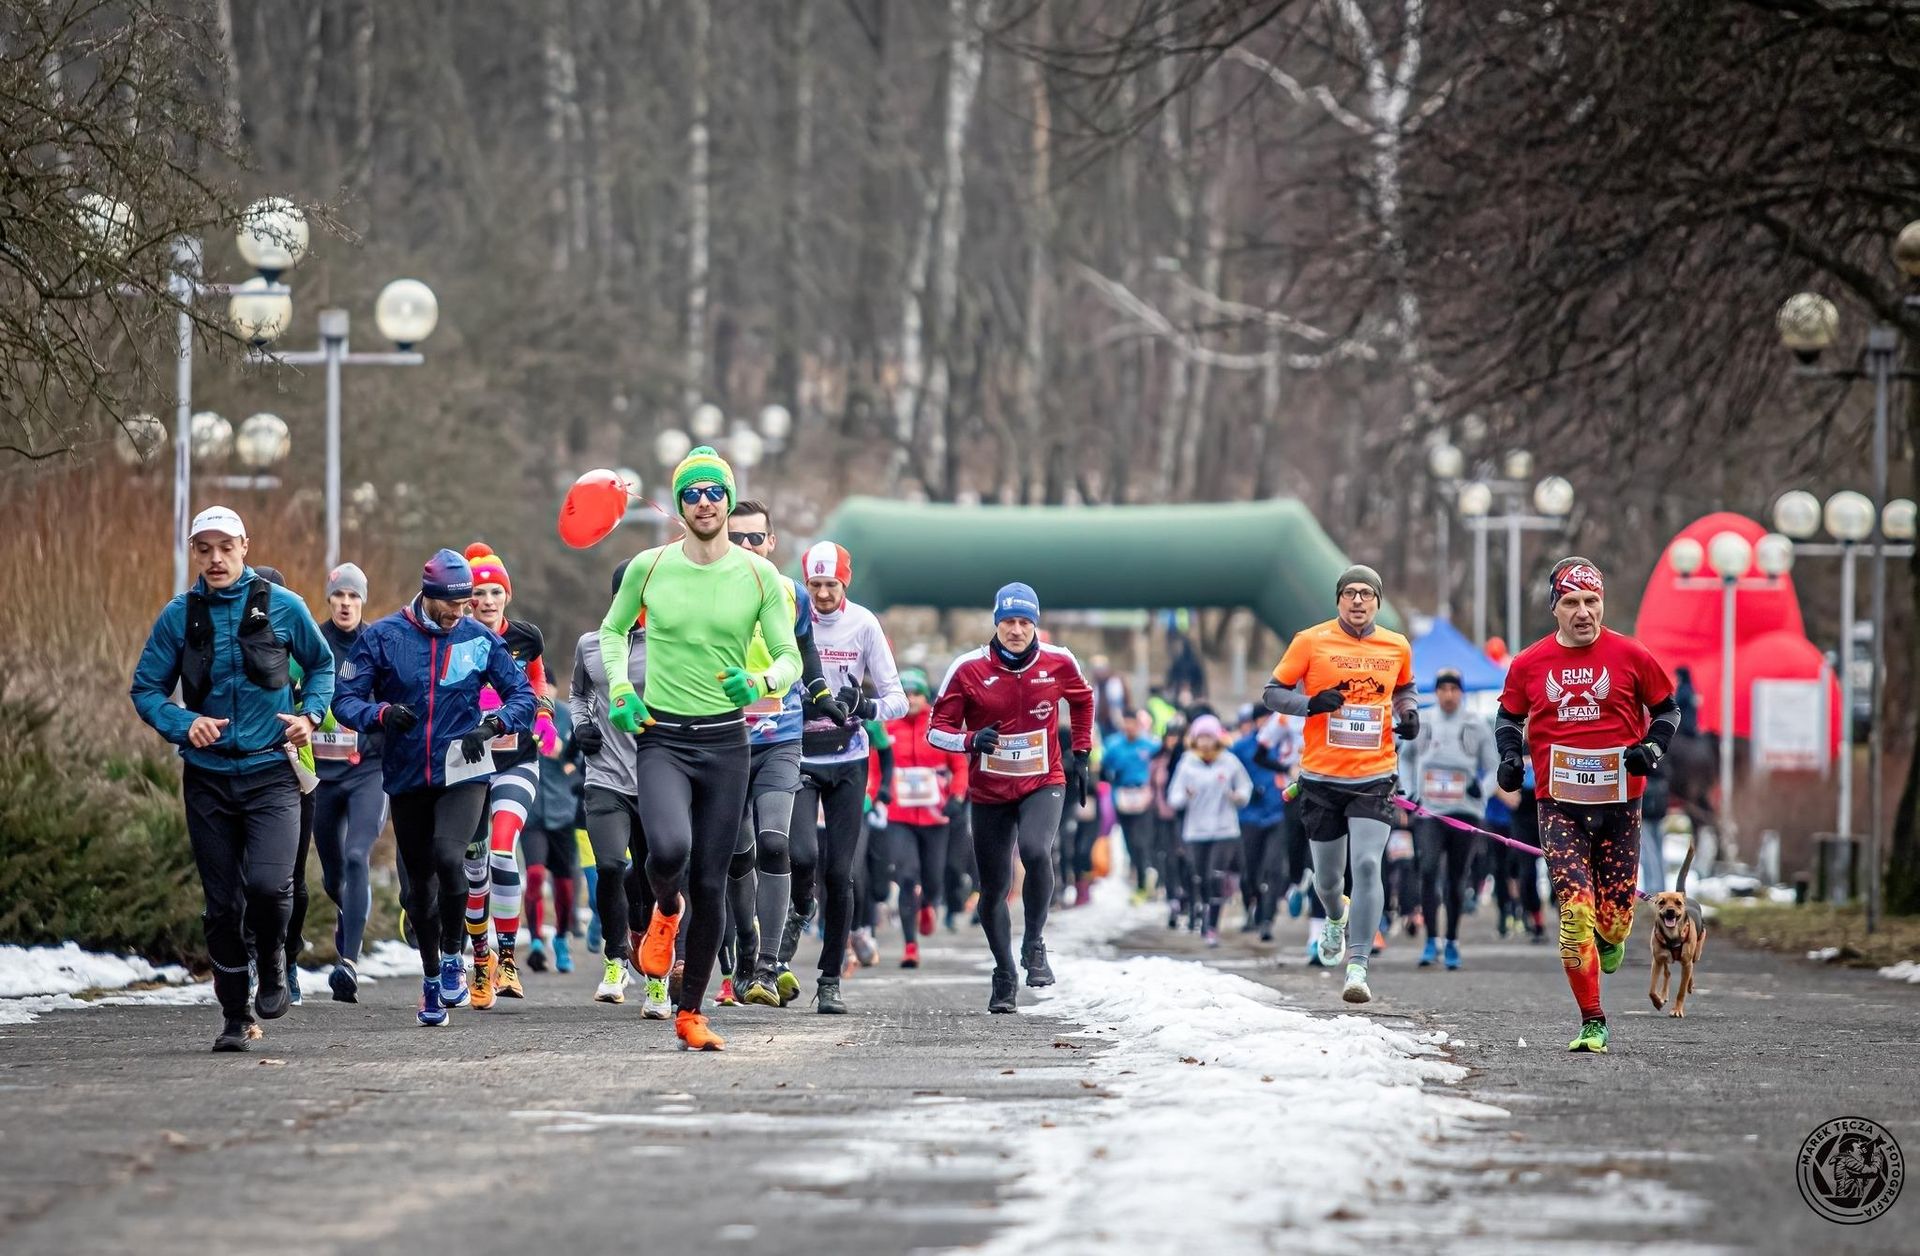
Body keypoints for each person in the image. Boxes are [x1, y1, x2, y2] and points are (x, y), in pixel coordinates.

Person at [599, 446, 802, 1050]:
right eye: (692, 493)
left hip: (725, 744)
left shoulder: (761, 576)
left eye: (715, 491)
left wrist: (761, 682)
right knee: (666, 851)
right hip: (662, 736)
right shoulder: (650, 566)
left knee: (712, 882)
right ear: (680, 503)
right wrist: (618, 690)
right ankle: (664, 910)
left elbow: (790, 656)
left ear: (728, 499)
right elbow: (611, 631)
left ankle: (690, 1014)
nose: (705, 502)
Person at [131, 508, 335, 1052]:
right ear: (194, 552)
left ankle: (272, 960)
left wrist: (310, 716)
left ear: (245, 545)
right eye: (205, 549)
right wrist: (184, 722)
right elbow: (146, 689)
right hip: (209, 781)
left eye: (226, 547)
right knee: (222, 905)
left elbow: (322, 666)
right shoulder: (179, 616)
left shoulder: (284, 608)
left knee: (270, 887)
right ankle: (232, 1013)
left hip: (272, 774)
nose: (216, 558)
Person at [333, 548, 536, 1027]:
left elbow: (523, 693)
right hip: (406, 775)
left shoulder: (478, 639)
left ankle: (452, 957)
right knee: (419, 889)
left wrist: (494, 725)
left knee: (451, 858)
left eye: (467, 602)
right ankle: (430, 980)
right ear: (429, 595)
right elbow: (346, 699)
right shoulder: (384, 638)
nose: (462, 611)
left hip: (464, 768)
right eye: (454, 603)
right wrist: (380, 715)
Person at [1496, 557, 1681, 1053]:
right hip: (1558, 805)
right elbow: (1509, 717)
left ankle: (1613, 935)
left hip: (1621, 805)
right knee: (1576, 912)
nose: (1584, 612)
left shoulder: (1631, 655)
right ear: (1555, 608)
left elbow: (1668, 709)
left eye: (1592, 601)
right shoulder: (1529, 663)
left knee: (1614, 920)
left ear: (1603, 604)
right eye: (1572, 602)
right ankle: (1592, 1020)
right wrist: (1510, 758)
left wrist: (1652, 750)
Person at [929, 583, 1095, 1013]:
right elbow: (935, 729)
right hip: (990, 790)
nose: (1017, 630)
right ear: (996, 623)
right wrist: (969, 740)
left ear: (1036, 623)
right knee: (994, 887)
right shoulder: (967, 669)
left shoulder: (1059, 661)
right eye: (1008, 622)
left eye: (1025, 622)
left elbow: (1083, 699)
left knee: (1038, 851)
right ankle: (1004, 973)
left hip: (1044, 779)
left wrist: (1082, 752)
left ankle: (1034, 942)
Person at [1262, 564, 1418, 1005]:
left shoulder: (1396, 645)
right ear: (1338, 600)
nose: (1357, 601)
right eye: (1349, 593)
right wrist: (1310, 704)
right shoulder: (1310, 641)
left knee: (1368, 865)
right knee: (1329, 880)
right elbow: (1272, 693)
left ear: (1378, 602)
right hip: (1321, 778)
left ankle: (1358, 965)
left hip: (1375, 775)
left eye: (1366, 593)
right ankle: (1335, 917)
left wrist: (1410, 715)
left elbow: (1406, 689)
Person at [725, 501, 845, 1007]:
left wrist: (821, 696)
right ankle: (748, 947)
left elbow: (806, 650)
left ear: (772, 543)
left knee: (775, 843)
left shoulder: (790, 594)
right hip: (724, 740)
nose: (748, 547)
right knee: (738, 854)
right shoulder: (710, 592)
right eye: (739, 538)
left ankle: (769, 968)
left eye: (757, 538)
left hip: (780, 737)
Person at [786, 542, 906, 1013]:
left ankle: (830, 978)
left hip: (848, 755)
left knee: (841, 873)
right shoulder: (791, 617)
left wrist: (866, 705)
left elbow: (895, 698)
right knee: (799, 854)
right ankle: (799, 907)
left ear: (844, 584)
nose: (821, 595)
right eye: (814, 585)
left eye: (830, 585)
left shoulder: (864, 624)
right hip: (796, 753)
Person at [459, 543, 559, 1007]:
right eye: (479, 591)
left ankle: (507, 959)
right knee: (474, 869)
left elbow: (539, 682)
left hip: (517, 761)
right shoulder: (454, 638)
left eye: (496, 591)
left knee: (502, 852)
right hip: (467, 767)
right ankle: (480, 959)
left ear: (507, 595)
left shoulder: (526, 637)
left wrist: (542, 717)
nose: (488, 599)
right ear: (467, 597)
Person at [571, 558, 664, 1010]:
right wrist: (580, 727)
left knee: (655, 878)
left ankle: (657, 973)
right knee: (610, 866)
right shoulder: (591, 645)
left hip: (656, 778)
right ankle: (615, 959)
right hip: (605, 775)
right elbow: (579, 694)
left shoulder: (670, 645)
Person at [308, 562, 388, 1003]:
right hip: (321, 776)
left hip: (367, 772)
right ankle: (348, 913)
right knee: (333, 875)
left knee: (358, 855)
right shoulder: (313, 642)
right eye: (339, 596)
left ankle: (349, 963)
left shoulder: (377, 643)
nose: (345, 603)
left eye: (353, 596)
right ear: (330, 599)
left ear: (363, 600)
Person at [1403, 667, 1498, 970]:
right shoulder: (1425, 719)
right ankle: (1432, 940)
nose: (1448, 695)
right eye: (1442, 689)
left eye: (1453, 689)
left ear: (1461, 692)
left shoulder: (1475, 723)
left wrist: (1480, 789)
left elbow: (1495, 766)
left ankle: (1453, 940)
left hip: (1463, 811)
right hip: (1429, 810)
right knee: (1428, 871)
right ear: (1437, 692)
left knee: (1456, 877)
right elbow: (1404, 756)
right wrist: (1409, 792)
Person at [877, 666, 968, 968]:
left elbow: (960, 765)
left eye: (916, 693)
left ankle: (929, 903)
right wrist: (877, 791)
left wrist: (957, 796)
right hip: (899, 815)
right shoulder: (888, 726)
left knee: (932, 880)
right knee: (905, 876)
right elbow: (875, 764)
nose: (911, 699)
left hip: (935, 815)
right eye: (905, 693)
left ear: (925, 697)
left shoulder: (940, 726)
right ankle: (910, 945)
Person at [1167, 715, 1254, 945]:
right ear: (1194, 738)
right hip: (1196, 830)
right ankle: (1202, 911)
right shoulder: (1187, 763)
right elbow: (1173, 797)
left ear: (1217, 738)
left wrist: (1238, 796)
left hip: (1224, 829)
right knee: (1199, 877)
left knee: (1215, 876)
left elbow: (1246, 786)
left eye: (1209, 736)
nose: (1205, 742)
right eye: (1200, 736)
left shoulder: (1229, 761)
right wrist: (1185, 796)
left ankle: (1212, 926)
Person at [523, 683, 581, 974]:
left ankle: (560, 938)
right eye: (537, 687)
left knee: (564, 884)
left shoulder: (569, 716)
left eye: (548, 687)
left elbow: (583, 757)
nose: (542, 693)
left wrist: (562, 752)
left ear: (557, 689)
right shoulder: (523, 714)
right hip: (531, 812)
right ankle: (535, 940)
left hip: (562, 810)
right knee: (533, 874)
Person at [1231, 710, 1289, 936]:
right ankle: (1251, 908)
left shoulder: (1285, 746)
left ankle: (1267, 918)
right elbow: (1228, 773)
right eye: (1264, 720)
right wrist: (1244, 791)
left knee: (1274, 868)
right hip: (1249, 816)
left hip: (1278, 814)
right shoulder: (1242, 748)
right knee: (1250, 869)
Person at [1102, 710, 1160, 903]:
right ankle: (1140, 874)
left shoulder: (1150, 745)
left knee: (1141, 840)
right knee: (1128, 841)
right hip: (1122, 795)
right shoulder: (1113, 745)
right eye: (1125, 723)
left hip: (1143, 796)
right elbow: (1104, 768)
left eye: (1132, 723)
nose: (1129, 727)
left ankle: (1145, 880)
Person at [1148, 719, 1189, 925]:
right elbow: (1152, 785)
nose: (1172, 740)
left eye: (1176, 736)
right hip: (1162, 816)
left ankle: (1187, 897)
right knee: (1168, 858)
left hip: (1183, 816)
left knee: (1185, 858)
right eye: (1169, 736)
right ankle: (1172, 897)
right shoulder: (1158, 759)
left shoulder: (1185, 758)